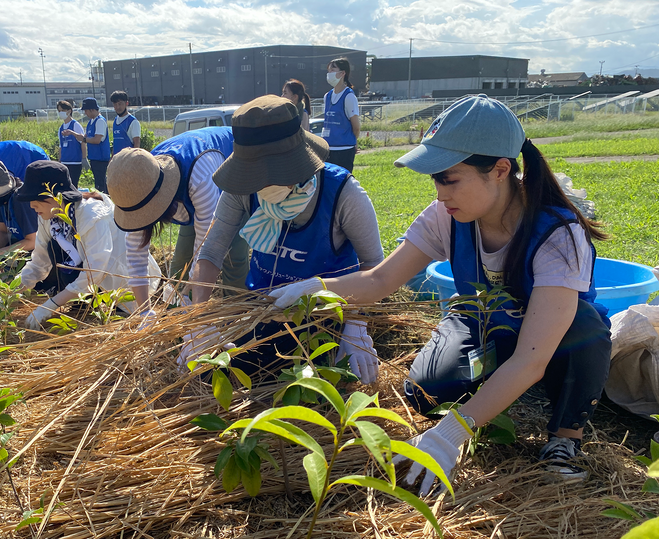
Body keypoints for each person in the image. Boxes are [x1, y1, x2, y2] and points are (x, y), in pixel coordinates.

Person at [270, 95, 612, 490]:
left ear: (500, 170)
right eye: (436, 179)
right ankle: (497, 389)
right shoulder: (446, 217)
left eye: (449, 179)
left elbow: (530, 360)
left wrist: (451, 435)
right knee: (424, 392)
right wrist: (317, 289)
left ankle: (564, 437)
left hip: (551, 343)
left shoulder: (558, 236)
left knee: (583, 330)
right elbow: (379, 281)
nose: (439, 194)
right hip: (482, 322)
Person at [183, 95, 384, 382]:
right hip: (263, 312)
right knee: (216, 375)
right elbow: (211, 251)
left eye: (272, 175)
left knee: (324, 387)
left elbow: (374, 266)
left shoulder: (342, 194)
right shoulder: (242, 189)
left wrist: (356, 324)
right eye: (255, 176)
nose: (261, 185)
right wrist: (199, 320)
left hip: (328, 318)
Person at [107, 126, 249, 313]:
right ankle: (173, 312)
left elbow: (208, 250)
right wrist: (143, 312)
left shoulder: (199, 178)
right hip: (190, 193)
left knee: (234, 257)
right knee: (181, 261)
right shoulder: (136, 182)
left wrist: (196, 312)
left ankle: (234, 318)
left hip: (233, 179)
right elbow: (135, 252)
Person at [15, 160, 159, 329]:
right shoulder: (48, 217)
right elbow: (39, 262)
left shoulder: (91, 215)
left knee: (113, 325)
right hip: (90, 286)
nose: (31, 205)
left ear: (56, 197)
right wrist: (6, 295)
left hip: (121, 284)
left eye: (36, 199)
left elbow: (95, 270)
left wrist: (52, 304)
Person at [322, 57, 360, 173]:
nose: (329, 74)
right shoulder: (327, 96)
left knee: (342, 183)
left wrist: (353, 141)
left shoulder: (349, 96)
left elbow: (356, 126)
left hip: (344, 149)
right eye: (328, 71)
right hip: (328, 148)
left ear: (343, 73)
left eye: (333, 70)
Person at [62, 97, 108, 192]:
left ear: (92, 110)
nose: (85, 113)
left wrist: (84, 139)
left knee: (101, 184)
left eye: (86, 111)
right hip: (94, 157)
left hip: (101, 158)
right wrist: (72, 133)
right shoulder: (91, 122)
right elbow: (84, 137)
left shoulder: (99, 121)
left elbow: (97, 140)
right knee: (98, 183)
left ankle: (105, 202)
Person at [55, 100, 87, 188]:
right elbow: (61, 147)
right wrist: (60, 161)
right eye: (59, 111)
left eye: (62, 111)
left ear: (69, 111)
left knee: (73, 186)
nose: (60, 113)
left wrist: (84, 158)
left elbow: (82, 142)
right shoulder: (61, 128)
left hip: (75, 162)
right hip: (65, 161)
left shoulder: (75, 125)